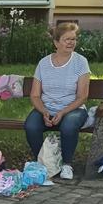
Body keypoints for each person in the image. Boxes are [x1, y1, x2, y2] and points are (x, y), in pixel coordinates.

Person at [25, 22, 90, 181]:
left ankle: (66, 164)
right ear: (56, 43)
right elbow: (35, 95)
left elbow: (82, 96)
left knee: (68, 126)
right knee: (31, 125)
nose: (71, 42)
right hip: (47, 108)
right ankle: (43, 162)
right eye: (67, 39)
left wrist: (62, 112)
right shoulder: (43, 63)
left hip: (73, 109)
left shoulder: (81, 62)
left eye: (73, 39)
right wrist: (44, 111)